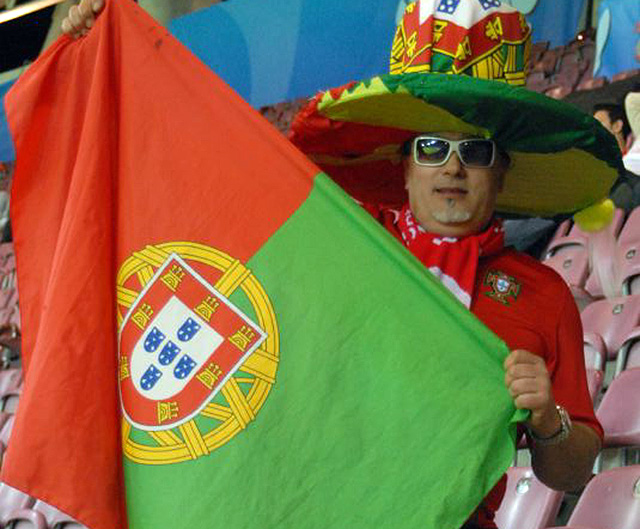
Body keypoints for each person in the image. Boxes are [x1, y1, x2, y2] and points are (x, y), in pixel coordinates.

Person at [61, 1, 616, 528]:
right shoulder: (339, 239)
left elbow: (570, 471)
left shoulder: (542, 294)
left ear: (501, 173)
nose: (452, 168)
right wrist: (107, 57)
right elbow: (201, 175)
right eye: (429, 148)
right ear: (402, 167)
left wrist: (547, 420)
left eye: (474, 152)